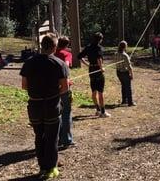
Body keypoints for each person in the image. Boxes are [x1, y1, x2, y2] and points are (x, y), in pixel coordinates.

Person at [20, 33, 68, 180]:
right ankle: (51, 167)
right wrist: (53, 91)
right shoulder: (59, 64)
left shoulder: (29, 62)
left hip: (34, 105)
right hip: (52, 105)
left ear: (41, 46)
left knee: (39, 137)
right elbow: (65, 88)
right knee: (52, 137)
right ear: (54, 47)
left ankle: (42, 167)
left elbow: (24, 86)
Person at [78, 32, 110, 118]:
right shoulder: (99, 48)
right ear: (100, 40)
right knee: (100, 92)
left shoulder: (88, 47)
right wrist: (101, 68)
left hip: (91, 69)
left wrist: (87, 64)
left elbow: (79, 56)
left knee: (94, 91)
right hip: (98, 71)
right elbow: (99, 58)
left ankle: (97, 110)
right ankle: (103, 112)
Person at [54, 36, 74, 149]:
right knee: (66, 112)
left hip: (52, 87)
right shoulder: (67, 54)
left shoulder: (52, 53)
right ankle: (66, 139)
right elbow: (65, 66)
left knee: (57, 113)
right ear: (67, 45)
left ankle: (57, 138)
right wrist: (66, 81)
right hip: (64, 87)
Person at [115, 40, 135, 106]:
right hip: (124, 73)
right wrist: (132, 74)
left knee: (123, 86)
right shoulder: (125, 55)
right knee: (128, 87)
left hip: (118, 72)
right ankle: (130, 102)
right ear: (125, 47)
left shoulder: (116, 54)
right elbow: (129, 67)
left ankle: (124, 101)